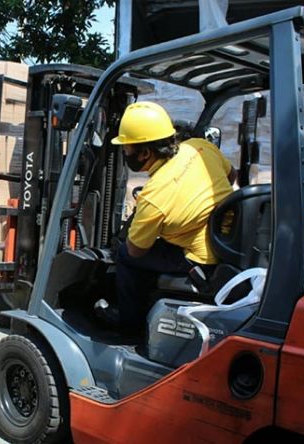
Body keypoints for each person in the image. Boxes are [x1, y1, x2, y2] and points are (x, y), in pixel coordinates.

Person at [95, 101, 236, 336]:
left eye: (127, 149)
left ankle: (128, 324)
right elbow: (232, 176)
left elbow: (136, 250)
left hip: (200, 261)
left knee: (124, 255)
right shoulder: (200, 148)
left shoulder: (153, 197)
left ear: (145, 153)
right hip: (228, 242)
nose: (125, 153)